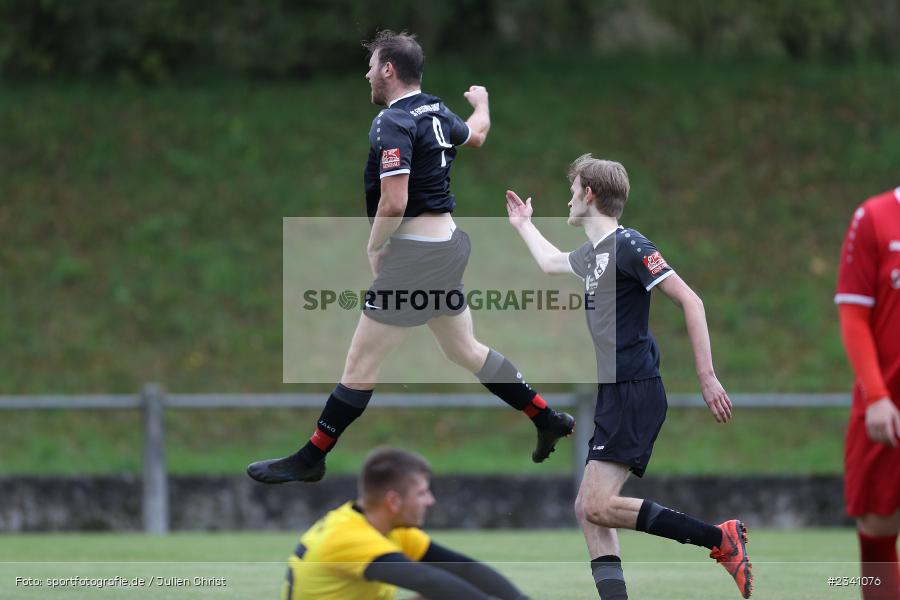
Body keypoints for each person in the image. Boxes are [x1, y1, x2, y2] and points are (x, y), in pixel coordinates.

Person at [248, 30, 573, 484]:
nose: (366, 75)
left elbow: (394, 201)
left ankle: (311, 457)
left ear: (388, 69)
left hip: (417, 261)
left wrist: (375, 244)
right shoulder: (437, 111)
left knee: (359, 367)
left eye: (371, 66)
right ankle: (545, 416)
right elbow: (476, 136)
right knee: (463, 350)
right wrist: (481, 103)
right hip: (449, 248)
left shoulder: (391, 122)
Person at [504, 154, 752, 599]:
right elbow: (550, 263)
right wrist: (523, 224)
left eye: (573, 188)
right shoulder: (593, 253)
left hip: (636, 390)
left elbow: (691, 301)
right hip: (615, 394)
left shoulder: (631, 245)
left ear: (589, 194)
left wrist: (707, 375)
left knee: (596, 505)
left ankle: (720, 540)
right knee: (588, 509)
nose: (569, 196)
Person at [280, 447, 529, 600]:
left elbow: (462, 568)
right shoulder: (348, 536)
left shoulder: (386, 527)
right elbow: (426, 580)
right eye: (422, 493)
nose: (430, 501)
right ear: (393, 501)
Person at [835, 187, 900, 600]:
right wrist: (877, 395)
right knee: (877, 523)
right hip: (887, 405)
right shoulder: (875, 217)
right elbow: (854, 314)